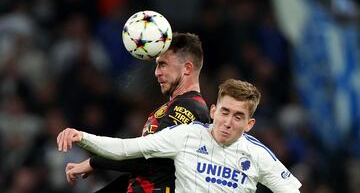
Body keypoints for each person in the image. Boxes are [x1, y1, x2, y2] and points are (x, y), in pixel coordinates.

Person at [57, 79, 302, 192]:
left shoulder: (258, 155)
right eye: (224, 112)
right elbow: (126, 148)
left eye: (238, 117)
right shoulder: (186, 136)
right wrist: (83, 136)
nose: (228, 122)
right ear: (213, 111)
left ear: (249, 124)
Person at [62, 32, 211, 192]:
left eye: (163, 64)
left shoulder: (190, 108)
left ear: (187, 68)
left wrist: (95, 162)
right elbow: (147, 165)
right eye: (157, 65)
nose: (157, 72)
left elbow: (147, 159)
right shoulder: (173, 107)